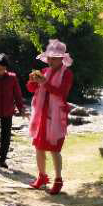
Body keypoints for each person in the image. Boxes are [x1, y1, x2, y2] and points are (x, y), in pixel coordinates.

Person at [26, 39, 74, 195]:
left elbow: (61, 94)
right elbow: (32, 89)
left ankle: (58, 180)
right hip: (41, 114)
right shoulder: (44, 71)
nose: (51, 60)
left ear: (62, 58)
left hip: (56, 115)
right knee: (39, 147)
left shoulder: (67, 74)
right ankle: (42, 177)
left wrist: (44, 83)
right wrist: (32, 80)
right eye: (49, 57)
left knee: (54, 149)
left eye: (54, 57)